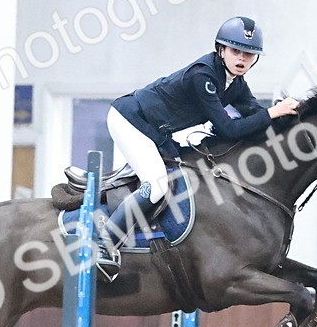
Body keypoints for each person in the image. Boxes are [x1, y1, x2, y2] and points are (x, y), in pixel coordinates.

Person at [98, 15, 300, 279]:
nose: (242, 59)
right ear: (221, 50)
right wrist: (273, 113)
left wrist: (293, 118)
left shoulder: (236, 84)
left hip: (157, 132)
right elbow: (229, 128)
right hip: (130, 120)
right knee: (156, 185)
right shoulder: (203, 75)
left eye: (249, 54)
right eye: (236, 51)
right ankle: (105, 244)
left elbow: (256, 115)